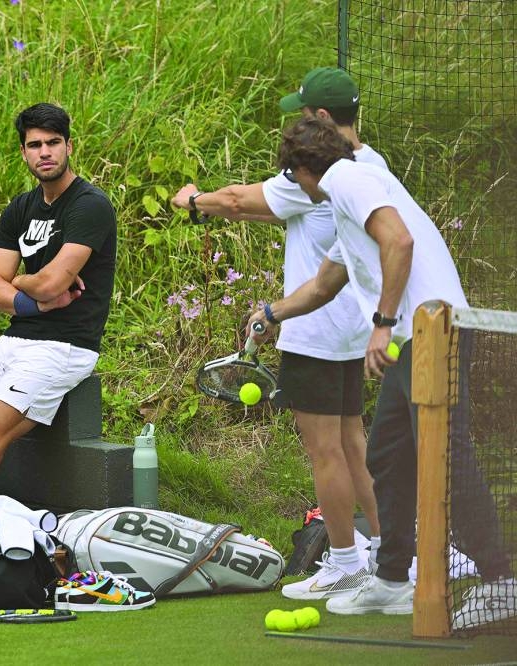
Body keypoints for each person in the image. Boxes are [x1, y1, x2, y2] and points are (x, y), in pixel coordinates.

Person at [249, 116, 514, 621]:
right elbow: (326, 283)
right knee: (389, 455)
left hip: (434, 332)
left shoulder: (347, 181)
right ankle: (393, 578)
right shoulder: (349, 198)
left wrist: (381, 323)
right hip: (415, 338)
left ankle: (500, 579)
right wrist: (271, 313)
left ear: (303, 171)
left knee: (447, 458)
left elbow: (399, 242)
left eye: (292, 177)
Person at [170, 67, 382, 601]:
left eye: (306, 113)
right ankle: (385, 549)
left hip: (314, 330)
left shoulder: (319, 171)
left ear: (325, 118)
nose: (300, 123)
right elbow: (283, 211)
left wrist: (193, 202)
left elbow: (242, 200)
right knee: (353, 444)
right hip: (355, 330)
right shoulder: (370, 165)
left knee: (325, 452)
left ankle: (344, 562)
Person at [0, 103, 117, 495]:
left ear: (70, 146)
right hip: (14, 342)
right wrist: (31, 300)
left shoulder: (90, 205)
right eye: (35, 144)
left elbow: (53, 282)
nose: (45, 152)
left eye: (53, 142)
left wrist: (18, 279)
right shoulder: (21, 208)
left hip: (62, 346)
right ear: (23, 152)